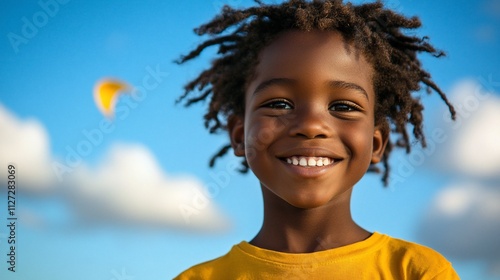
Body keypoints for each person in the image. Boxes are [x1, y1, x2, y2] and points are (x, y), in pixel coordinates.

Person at [174, 0, 459, 278]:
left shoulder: (416, 271)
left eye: (343, 107)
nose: (311, 125)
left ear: (376, 143)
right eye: (280, 104)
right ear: (239, 135)